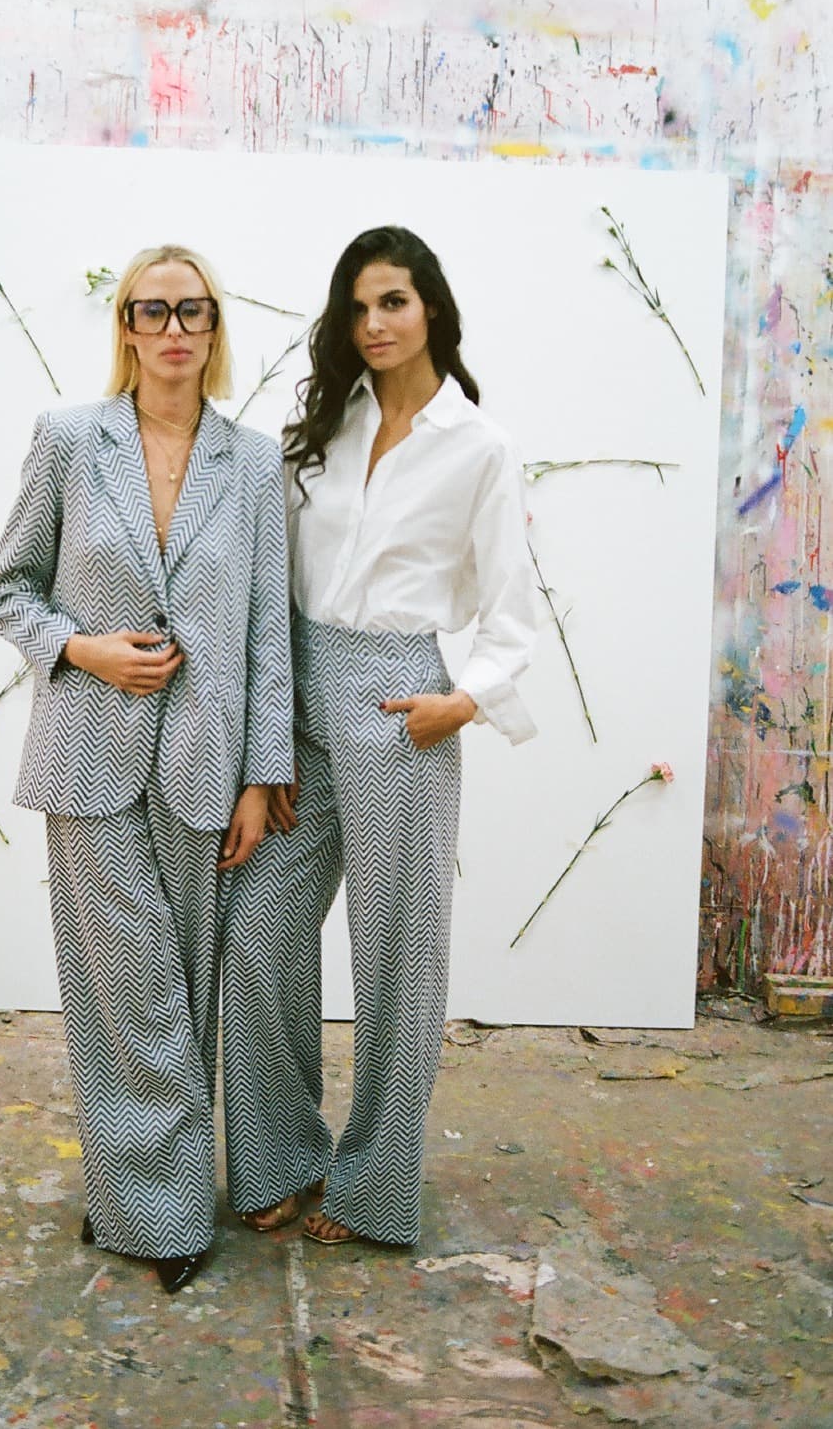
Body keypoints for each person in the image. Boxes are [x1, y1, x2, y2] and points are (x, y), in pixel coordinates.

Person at [0, 244, 293, 1293]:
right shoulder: (70, 440)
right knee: (128, 991)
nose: (172, 329)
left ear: (213, 327)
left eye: (191, 310)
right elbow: (8, 590)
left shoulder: (253, 463)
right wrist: (85, 649)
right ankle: (163, 1219)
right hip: (87, 752)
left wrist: (261, 775)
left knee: (187, 991)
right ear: (125, 326)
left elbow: (265, 633)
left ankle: (134, 1191)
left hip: (208, 764)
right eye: (151, 311)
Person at [222, 225, 537, 1248]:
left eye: (392, 301)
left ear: (430, 306)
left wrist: (462, 701)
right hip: (300, 689)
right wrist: (265, 727)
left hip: (402, 703)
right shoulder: (324, 425)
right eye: (357, 308)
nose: (373, 324)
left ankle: (373, 1190)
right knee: (258, 929)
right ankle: (280, 1157)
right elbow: (273, 583)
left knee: (397, 956)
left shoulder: (479, 448)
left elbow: (512, 614)